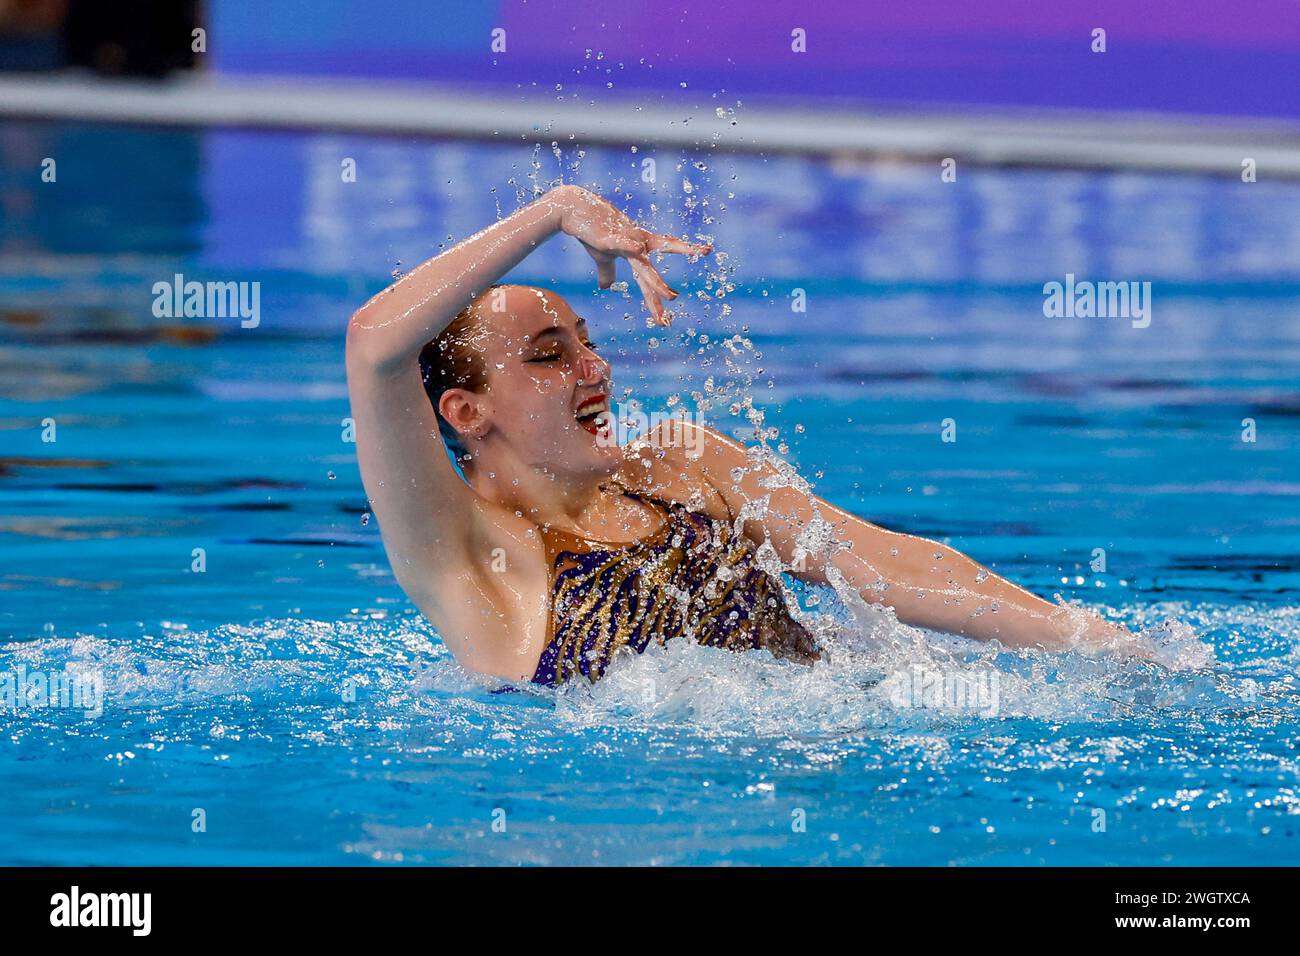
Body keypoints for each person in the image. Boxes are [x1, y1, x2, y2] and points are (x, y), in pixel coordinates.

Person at [345, 184, 1150, 686]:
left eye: (588, 342)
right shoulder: (463, 549)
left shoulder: (680, 457)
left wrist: (1098, 643)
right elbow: (374, 345)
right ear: (465, 413)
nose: (593, 369)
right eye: (550, 357)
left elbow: (877, 560)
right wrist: (556, 210)